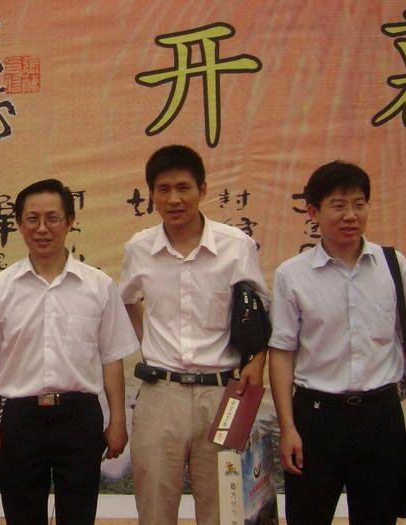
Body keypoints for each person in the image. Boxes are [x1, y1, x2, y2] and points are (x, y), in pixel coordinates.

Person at [0, 179, 139, 525]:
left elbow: (111, 358)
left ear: (70, 221)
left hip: (79, 417)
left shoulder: (98, 286)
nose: (42, 228)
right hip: (20, 418)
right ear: (19, 224)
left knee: (78, 515)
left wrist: (118, 421)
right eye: (32, 219)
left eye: (52, 218)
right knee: (22, 515)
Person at [119, 145, 269, 525]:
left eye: (183, 187)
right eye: (163, 189)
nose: (174, 199)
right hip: (160, 394)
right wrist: (148, 339)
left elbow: (262, 311)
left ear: (202, 189)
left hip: (223, 394)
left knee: (223, 512)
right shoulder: (139, 248)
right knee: (154, 510)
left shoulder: (236, 246)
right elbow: (126, 300)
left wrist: (256, 362)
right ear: (152, 194)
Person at [269, 161, 406, 525]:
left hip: (381, 415)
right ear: (314, 212)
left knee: (379, 517)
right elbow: (282, 354)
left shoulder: (393, 265)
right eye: (338, 205)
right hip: (316, 416)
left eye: (359, 204)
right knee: (308, 517)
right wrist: (288, 427)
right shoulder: (292, 274)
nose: (350, 215)